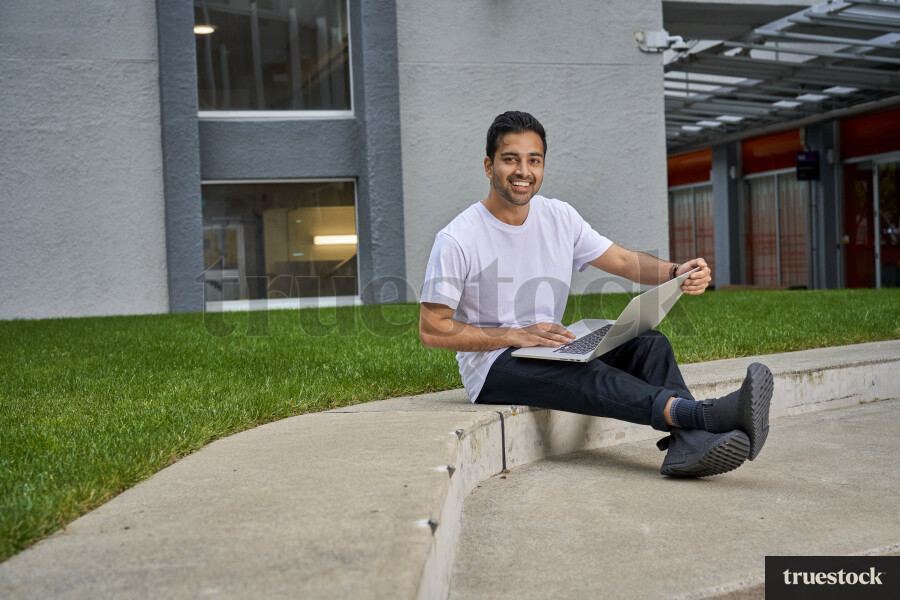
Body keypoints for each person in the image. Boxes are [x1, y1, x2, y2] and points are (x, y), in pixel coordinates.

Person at [418, 111, 773, 478]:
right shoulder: (458, 238)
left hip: (548, 344)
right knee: (588, 375)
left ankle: (688, 444)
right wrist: (510, 335)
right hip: (493, 365)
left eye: (534, 160)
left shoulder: (559, 216)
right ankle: (703, 416)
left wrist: (674, 271)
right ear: (489, 166)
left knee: (649, 343)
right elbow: (432, 328)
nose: (523, 170)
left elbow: (621, 259)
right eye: (511, 159)